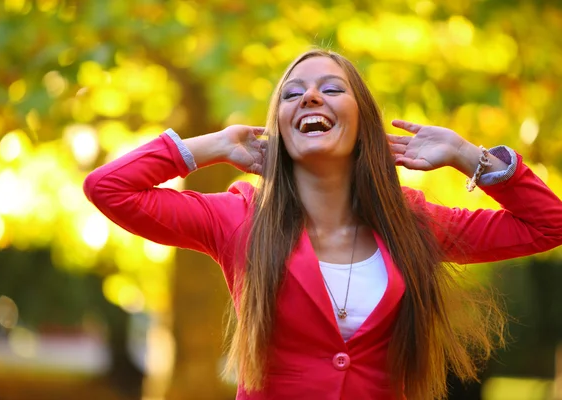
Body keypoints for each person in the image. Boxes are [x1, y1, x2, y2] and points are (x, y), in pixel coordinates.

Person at [83, 49, 562, 400]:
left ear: (364, 124)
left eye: (332, 89)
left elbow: (547, 224)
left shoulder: (413, 224)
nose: (310, 95)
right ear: (281, 129)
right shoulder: (238, 217)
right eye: (293, 94)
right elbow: (109, 188)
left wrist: (465, 154)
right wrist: (210, 147)